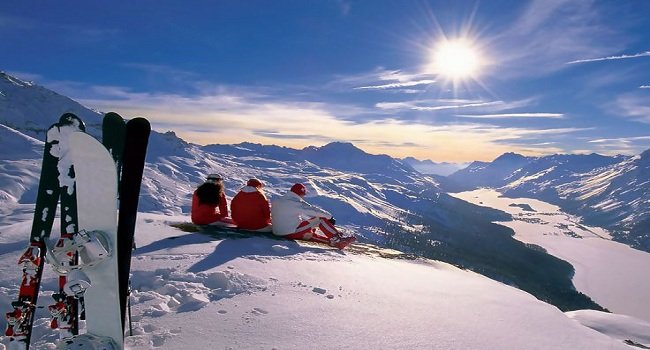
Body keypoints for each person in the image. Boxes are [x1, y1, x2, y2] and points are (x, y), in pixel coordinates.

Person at [271, 183, 356, 249]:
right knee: (320, 219)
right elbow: (313, 210)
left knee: (308, 232)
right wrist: (329, 217)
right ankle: (338, 239)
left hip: (277, 231)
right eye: (303, 195)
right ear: (301, 193)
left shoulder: (278, 200)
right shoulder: (296, 203)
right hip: (289, 232)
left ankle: (332, 242)